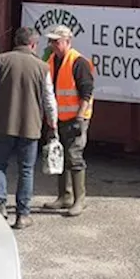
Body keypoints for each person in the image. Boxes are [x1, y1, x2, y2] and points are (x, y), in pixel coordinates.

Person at [0, 26, 58, 230]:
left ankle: (0, 206)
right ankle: (23, 215)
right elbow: (49, 99)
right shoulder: (42, 67)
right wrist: (53, 122)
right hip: (30, 126)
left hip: (3, 124)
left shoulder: (2, 60)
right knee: (26, 170)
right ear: (32, 44)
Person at [41, 24, 96, 217]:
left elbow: (86, 92)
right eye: (51, 41)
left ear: (67, 41)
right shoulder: (51, 61)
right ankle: (64, 196)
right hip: (59, 118)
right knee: (60, 156)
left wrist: (80, 117)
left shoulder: (79, 62)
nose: (53, 45)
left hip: (76, 118)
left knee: (74, 156)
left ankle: (79, 199)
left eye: (56, 41)